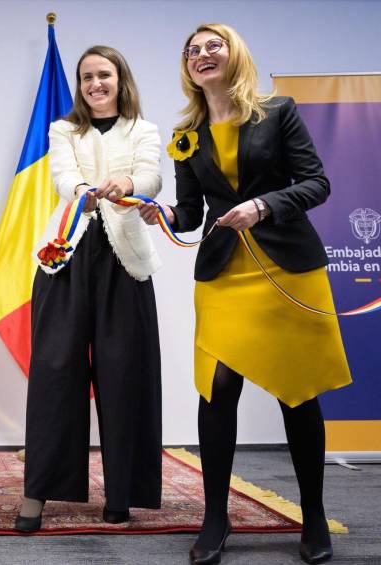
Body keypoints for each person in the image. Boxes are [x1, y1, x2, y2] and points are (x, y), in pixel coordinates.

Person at [139, 23, 352, 565]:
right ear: (187, 67)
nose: (202, 54)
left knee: (297, 389)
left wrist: (263, 206)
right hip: (224, 274)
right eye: (192, 50)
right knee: (217, 388)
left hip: (286, 267)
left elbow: (317, 183)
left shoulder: (278, 112)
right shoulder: (187, 134)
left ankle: (313, 516)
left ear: (235, 55)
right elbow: (192, 211)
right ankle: (216, 516)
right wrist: (163, 214)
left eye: (214, 45)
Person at [15, 45, 163, 533]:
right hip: (66, 258)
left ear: (121, 80)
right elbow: (63, 176)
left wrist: (128, 183)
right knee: (55, 372)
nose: (95, 84)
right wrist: (82, 192)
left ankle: (122, 494)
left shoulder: (144, 129)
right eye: (86, 77)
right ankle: (38, 492)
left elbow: (152, 175)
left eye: (104, 75)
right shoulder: (64, 129)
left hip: (126, 265)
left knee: (125, 375)